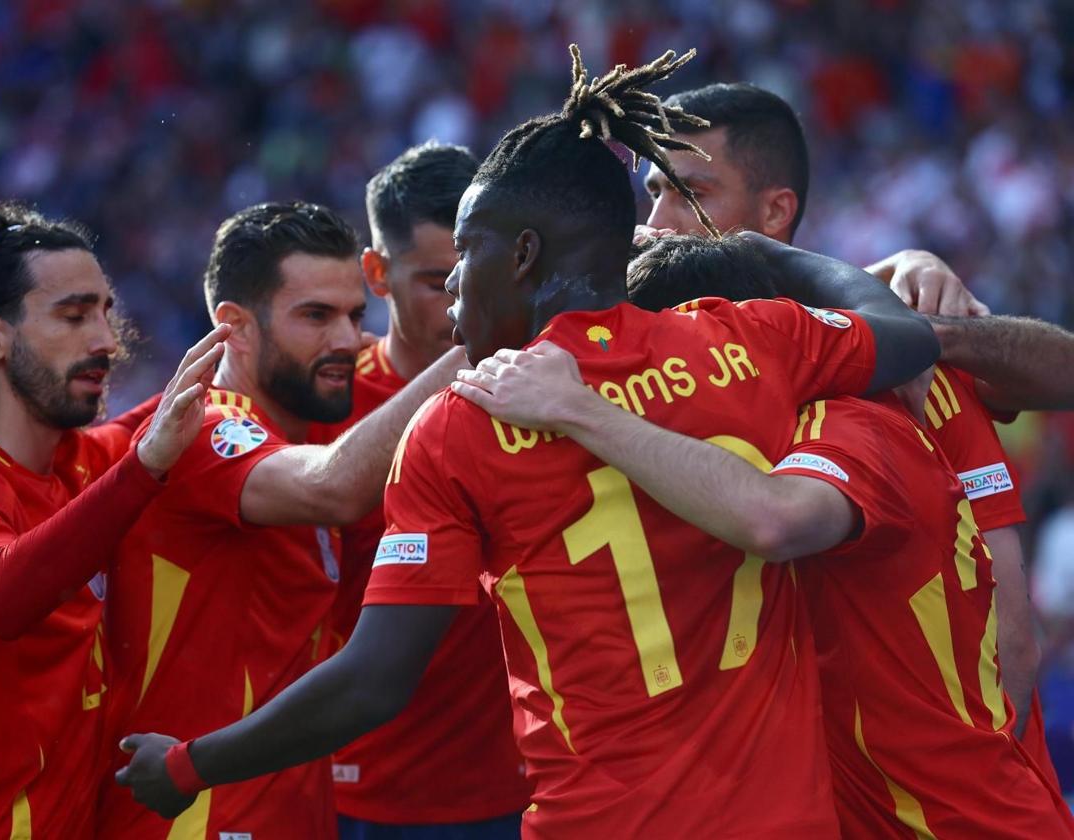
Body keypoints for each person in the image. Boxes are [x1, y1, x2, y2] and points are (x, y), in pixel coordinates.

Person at [116, 45, 939, 838]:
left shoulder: (462, 424)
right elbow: (905, 335)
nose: (452, 300)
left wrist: (189, 767)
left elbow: (374, 680)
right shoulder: (747, 343)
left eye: (464, 261)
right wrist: (758, 251)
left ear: (522, 254)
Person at [459, 233, 1074, 836]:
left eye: (673, 358)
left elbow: (774, 518)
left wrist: (581, 409)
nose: (664, 385)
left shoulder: (853, 423)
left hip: (953, 821)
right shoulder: (777, 426)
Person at [642, 80, 1072, 760]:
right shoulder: (634, 358)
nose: (659, 221)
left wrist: (930, 334)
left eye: (688, 191)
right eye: (653, 193)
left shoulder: (881, 356)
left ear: (775, 210)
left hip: (929, 793)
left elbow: (1011, 638)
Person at [97, 201, 467, 839]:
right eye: (316, 317)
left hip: (289, 811)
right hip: (198, 816)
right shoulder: (203, 427)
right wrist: (495, 334)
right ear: (235, 328)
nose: (349, 341)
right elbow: (338, 486)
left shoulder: (302, 422)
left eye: (355, 315)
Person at [0, 202, 225, 837]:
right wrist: (143, 469)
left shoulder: (82, 463)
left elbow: (167, 413)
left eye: (105, 314)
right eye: (72, 316)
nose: (106, 343)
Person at [313, 143, 529, 839]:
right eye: (438, 282)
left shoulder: (543, 389)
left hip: (530, 789)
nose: (461, 302)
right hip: (365, 799)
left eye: (477, 273)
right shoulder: (323, 405)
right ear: (376, 272)